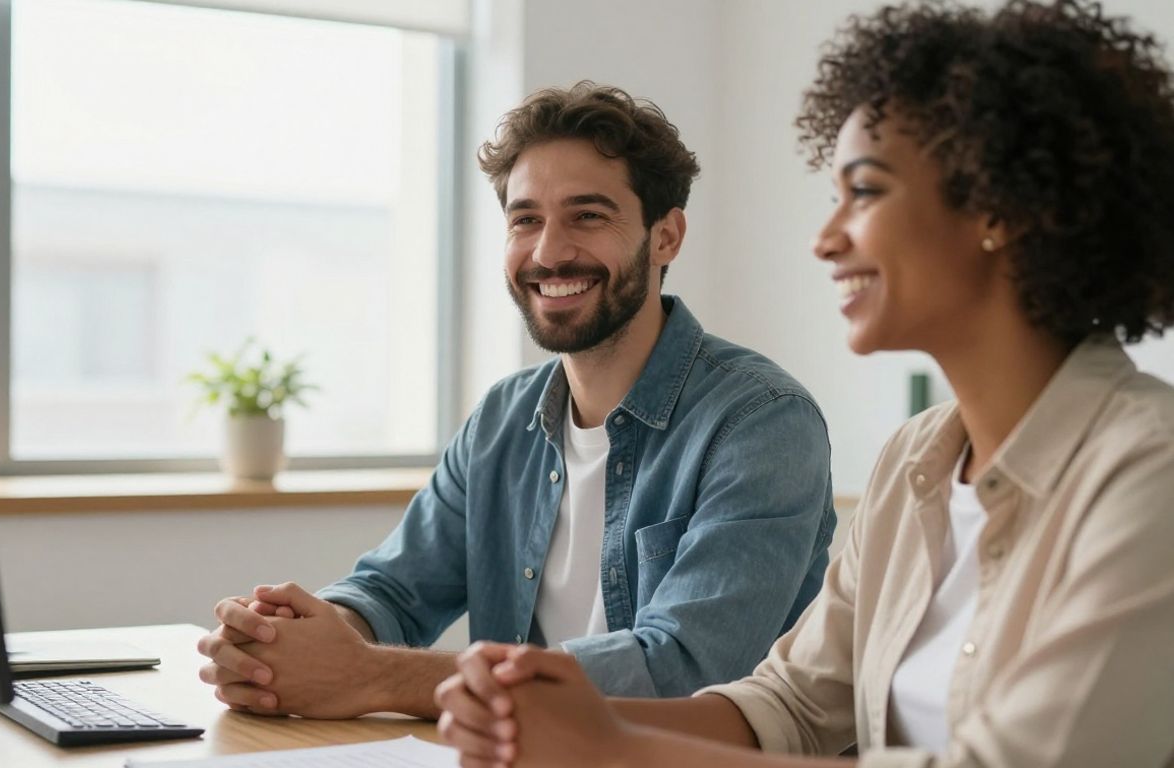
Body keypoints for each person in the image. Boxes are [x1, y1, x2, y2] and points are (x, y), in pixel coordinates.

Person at [435, 2, 1174, 765]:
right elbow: (789, 703)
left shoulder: (1149, 472)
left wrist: (616, 747)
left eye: (866, 192)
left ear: (998, 207)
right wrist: (566, 715)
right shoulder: (915, 461)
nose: (826, 239)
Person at [196, 82, 837, 720]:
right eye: (525, 219)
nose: (549, 252)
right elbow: (394, 589)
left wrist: (371, 676)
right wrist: (292, 639)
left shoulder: (762, 421)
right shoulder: (503, 417)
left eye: (587, 216)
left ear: (666, 237)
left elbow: (685, 670)